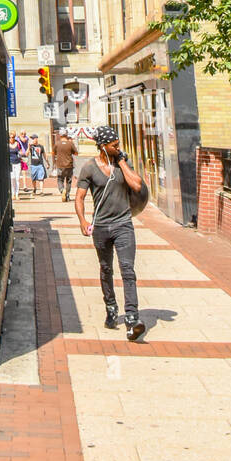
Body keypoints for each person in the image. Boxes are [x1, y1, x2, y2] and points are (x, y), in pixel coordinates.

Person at [75, 125, 146, 341]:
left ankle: (132, 317)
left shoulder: (122, 164)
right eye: (114, 145)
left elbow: (136, 185)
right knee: (106, 269)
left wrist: (122, 160)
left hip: (123, 224)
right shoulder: (89, 168)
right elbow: (79, 197)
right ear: (102, 146)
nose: (117, 147)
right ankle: (111, 307)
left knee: (127, 270)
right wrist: (82, 220)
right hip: (101, 227)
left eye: (118, 144)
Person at [53, 128, 79, 202]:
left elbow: (53, 152)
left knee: (60, 179)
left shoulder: (57, 144)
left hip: (60, 165)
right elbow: (76, 153)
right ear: (66, 134)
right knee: (68, 181)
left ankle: (62, 190)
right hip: (69, 165)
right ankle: (67, 195)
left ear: (60, 135)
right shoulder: (70, 143)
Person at [8, 132, 22, 200]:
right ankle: (13, 194)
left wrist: (21, 154)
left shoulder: (18, 144)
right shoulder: (7, 145)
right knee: (12, 178)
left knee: (17, 178)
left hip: (17, 163)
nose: (11, 139)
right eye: (10, 137)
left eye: (13, 137)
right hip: (10, 163)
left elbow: (21, 151)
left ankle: (17, 194)